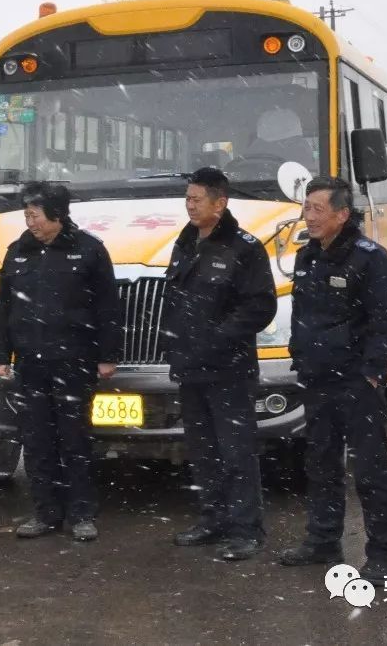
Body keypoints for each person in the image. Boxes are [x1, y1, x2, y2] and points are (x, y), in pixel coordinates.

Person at [277, 175, 387, 586]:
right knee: (321, 464)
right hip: (317, 379)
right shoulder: (308, 256)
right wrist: (300, 353)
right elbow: (301, 314)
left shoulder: (370, 258)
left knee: (370, 470)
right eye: (306, 208)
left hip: (355, 382)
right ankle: (323, 540)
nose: (308, 217)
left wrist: (371, 373)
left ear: (342, 214)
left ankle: (384, 554)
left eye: (317, 209)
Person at [0, 182, 122, 542]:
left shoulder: (89, 250)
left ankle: (81, 514)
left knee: (74, 440)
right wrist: (0, 355)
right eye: (27, 215)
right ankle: (44, 513)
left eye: (35, 215)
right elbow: (4, 308)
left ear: (57, 215)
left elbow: (108, 308)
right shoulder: (18, 252)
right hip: (31, 364)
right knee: (35, 441)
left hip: (73, 362)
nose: (29, 221)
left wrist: (108, 355)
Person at [164, 168, 276, 561]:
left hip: (228, 370)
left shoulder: (244, 248)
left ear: (220, 202)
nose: (189, 206)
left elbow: (260, 306)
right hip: (191, 369)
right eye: (188, 199)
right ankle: (212, 519)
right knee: (203, 451)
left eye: (197, 200)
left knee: (236, 452)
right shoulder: (187, 241)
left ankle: (246, 530)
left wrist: (216, 339)